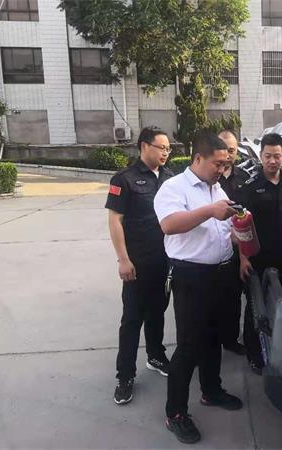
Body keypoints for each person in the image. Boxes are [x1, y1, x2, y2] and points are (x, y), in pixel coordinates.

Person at [154, 132, 242, 444]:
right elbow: (169, 225)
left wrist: (240, 231)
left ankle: (211, 390)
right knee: (189, 346)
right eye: (217, 163)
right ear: (198, 158)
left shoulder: (217, 188)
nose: (222, 169)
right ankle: (175, 413)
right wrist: (209, 211)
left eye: (226, 163)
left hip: (221, 273)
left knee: (214, 338)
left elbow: (223, 230)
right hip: (191, 277)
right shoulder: (173, 187)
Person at [105, 126, 174, 405]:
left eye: (168, 149)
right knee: (132, 319)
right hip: (137, 263)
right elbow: (115, 220)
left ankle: (155, 356)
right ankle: (125, 376)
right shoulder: (124, 179)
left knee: (157, 312)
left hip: (164, 262)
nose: (166, 153)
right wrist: (123, 259)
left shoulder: (169, 178)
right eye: (161, 148)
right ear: (145, 146)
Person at [234, 132, 282, 373]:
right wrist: (243, 258)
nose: (272, 161)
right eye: (268, 156)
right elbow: (240, 225)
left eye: (277, 156)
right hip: (259, 258)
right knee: (256, 309)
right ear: (261, 156)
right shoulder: (250, 186)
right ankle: (255, 354)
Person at [217, 129, 249, 355]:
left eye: (232, 150)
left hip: (237, 249)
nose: (229, 155)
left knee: (233, 297)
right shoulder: (208, 176)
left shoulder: (245, 178)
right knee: (210, 300)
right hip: (212, 248)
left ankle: (230, 339)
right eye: (225, 150)